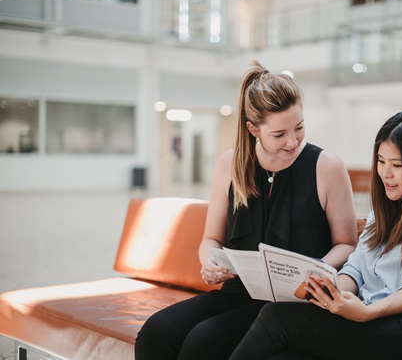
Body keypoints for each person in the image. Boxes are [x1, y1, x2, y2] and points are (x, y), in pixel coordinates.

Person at [134, 59, 359, 360]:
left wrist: (316, 273)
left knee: (204, 340)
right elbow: (210, 240)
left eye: (299, 128)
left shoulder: (327, 166)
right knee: (155, 332)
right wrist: (209, 263)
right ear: (253, 128)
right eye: (279, 134)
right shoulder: (230, 164)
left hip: (291, 304)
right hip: (237, 293)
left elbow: (347, 244)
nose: (292, 141)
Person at [228, 110, 402, 360]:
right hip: (366, 313)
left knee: (276, 317)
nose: (385, 173)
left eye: (397, 165)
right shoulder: (386, 208)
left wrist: (365, 313)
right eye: (381, 161)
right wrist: (328, 290)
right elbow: (356, 269)